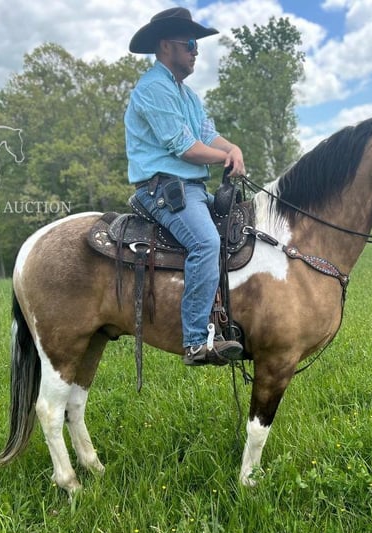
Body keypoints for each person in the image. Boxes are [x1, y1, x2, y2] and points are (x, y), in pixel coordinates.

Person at [125, 7, 245, 366]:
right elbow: (186, 148)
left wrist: (233, 149)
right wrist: (222, 159)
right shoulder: (153, 89)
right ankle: (195, 341)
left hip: (190, 188)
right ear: (166, 47)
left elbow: (207, 134)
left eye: (196, 45)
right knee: (205, 241)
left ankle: (228, 321)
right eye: (190, 43)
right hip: (161, 189)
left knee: (243, 227)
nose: (196, 51)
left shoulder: (188, 95)